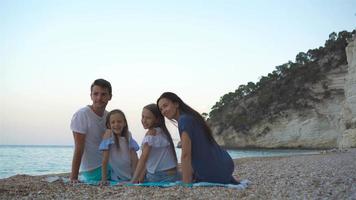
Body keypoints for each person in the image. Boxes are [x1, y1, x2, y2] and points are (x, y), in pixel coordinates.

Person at [157, 92, 238, 184]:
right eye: (161, 109)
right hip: (225, 165)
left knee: (175, 177)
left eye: (165, 105)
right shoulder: (190, 117)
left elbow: (186, 155)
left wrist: (186, 183)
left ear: (176, 104)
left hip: (215, 171)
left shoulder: (184, 120)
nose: (164, 111)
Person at [69, 79, 112, 183]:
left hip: (109, 164)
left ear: (110, 96)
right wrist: (74, 177)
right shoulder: (82, 115)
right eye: (96, 94)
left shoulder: (108, 116)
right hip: (94, 169)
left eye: (103, 94)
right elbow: (79, 147)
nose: (99, 98)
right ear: (91, 96)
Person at [131, 104, 179, 183]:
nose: (144, 120)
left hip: (159, 176)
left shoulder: (151, 133)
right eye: (143, 117)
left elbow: (143, 159)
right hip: (173, 175)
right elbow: (149, 160)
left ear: (157, 119)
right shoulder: (163, 132)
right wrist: (141, 178)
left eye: (148, 118)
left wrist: (133, 180)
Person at [99, 109, 139, 185]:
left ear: (124, 123)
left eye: (119, 121)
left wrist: (135, 177)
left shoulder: (128, 135)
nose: (116, 124)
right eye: (113, 122)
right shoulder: (109, 135)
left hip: (131, 172)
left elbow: (134, 158)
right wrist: (103, 179)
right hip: (118, 176)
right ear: (109, 125)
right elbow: (105, 159)